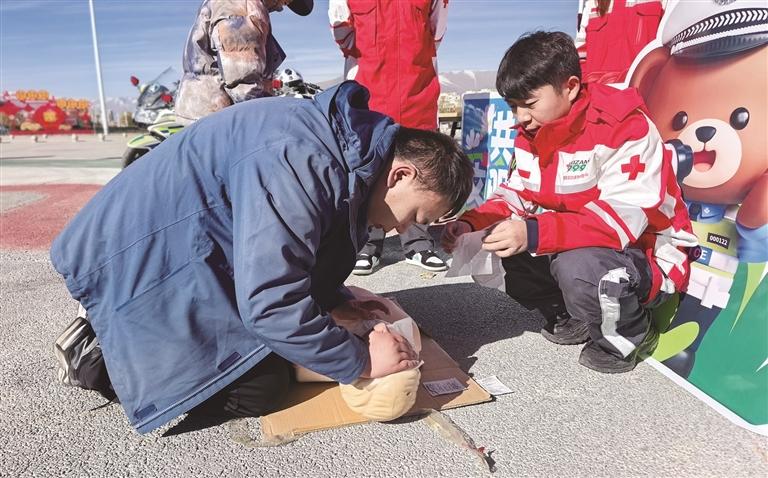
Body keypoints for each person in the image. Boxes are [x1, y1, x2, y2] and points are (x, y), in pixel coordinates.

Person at [50, 81, 473, 434]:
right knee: (261, 386)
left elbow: (298, 252)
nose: (403, 230)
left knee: (286, 349)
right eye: (416, 216)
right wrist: (362, 361)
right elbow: (270, 305)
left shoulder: (345, 154)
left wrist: (337, 300)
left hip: (186, 246)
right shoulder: (302, 159)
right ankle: (99, 355)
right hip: (129, 259)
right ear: (401, 175)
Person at [441, 31, 697, 374]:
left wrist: (533, 233)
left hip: (646, 251)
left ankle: (631, 335)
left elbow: (623, 221)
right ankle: (571, 313)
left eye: (529, 104)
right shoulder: (532, 135)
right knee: (488, 243)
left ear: (571, 87)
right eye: (514, 106)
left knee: (580, 267)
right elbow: (518, 194)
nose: (520, 117)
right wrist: (472, 223)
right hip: (575, 244)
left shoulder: (624, 128)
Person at [329, 0, 451, 275]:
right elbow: (341, 29)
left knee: (421, 167)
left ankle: (418, 242)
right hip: (369, 91)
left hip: (417, 91)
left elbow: (436, 30)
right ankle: (366, 243)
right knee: (368, 169)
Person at [174, 0, 314, 124]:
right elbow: (244, 85)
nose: (284, 6)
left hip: (209, 114)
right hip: (219, 120)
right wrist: (270, 121)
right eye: (289, 0)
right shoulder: (244, 8)